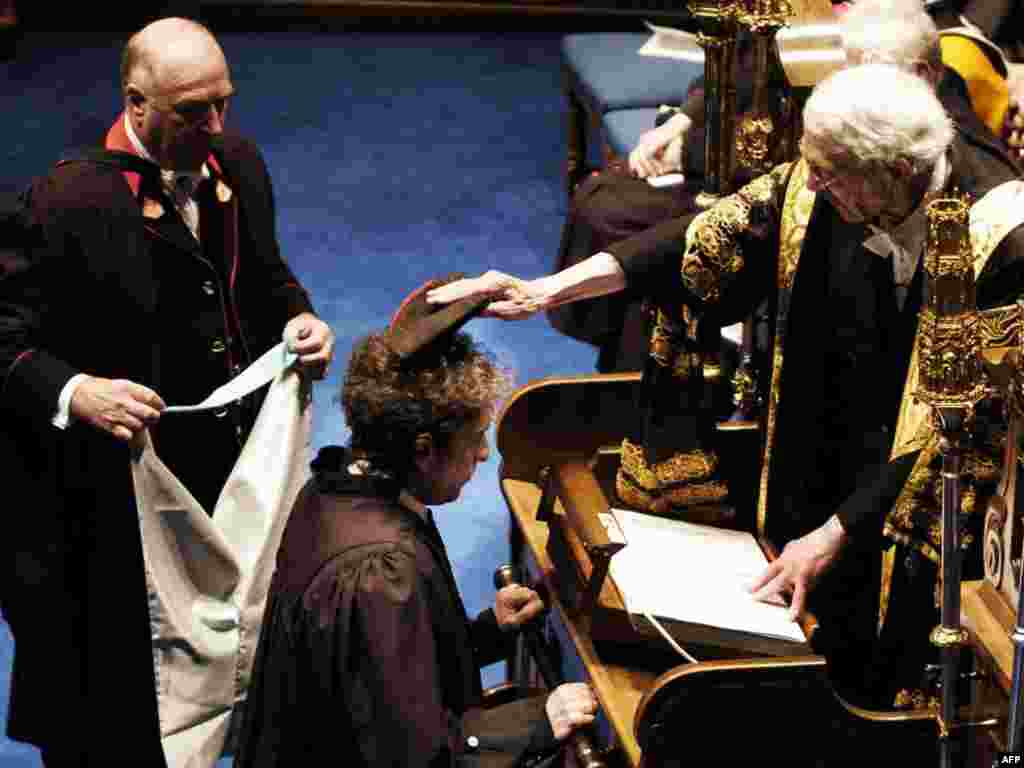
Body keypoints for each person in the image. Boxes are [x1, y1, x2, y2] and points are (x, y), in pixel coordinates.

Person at [427, 64, 1024, 714]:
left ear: (891, 175)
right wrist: (549, 289)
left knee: (884, 669)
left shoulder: (1003, 237)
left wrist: (835, 532)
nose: (811, 182)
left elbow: (959, 430)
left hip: (921, 501)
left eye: (827, 174)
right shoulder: (829, 173)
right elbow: (706, 238)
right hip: (832, 433)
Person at [0, 17, 334, 767]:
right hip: (106, 498)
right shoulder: (64, 201)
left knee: (230, 655)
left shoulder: (238, 165)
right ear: (137, 102)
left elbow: (268, 277)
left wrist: (300, 318)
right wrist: (75, 389)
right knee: (112, 702)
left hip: (222, 472)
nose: (214, 125)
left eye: (224, 103)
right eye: (192, 111)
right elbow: (4, 337)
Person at [235, 277, 598, 768]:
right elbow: (415, 758)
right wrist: (538, 721)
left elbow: (376, 671)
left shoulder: (331, 488)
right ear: (424, 451)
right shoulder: (382, 569)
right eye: (473, 439)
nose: (483, 453)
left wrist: (489, 631)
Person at [553, 0, 1019, 374]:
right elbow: (725, 226)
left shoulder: (992, 221)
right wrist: (552, 288)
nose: (814, 182)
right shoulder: (840, 160)